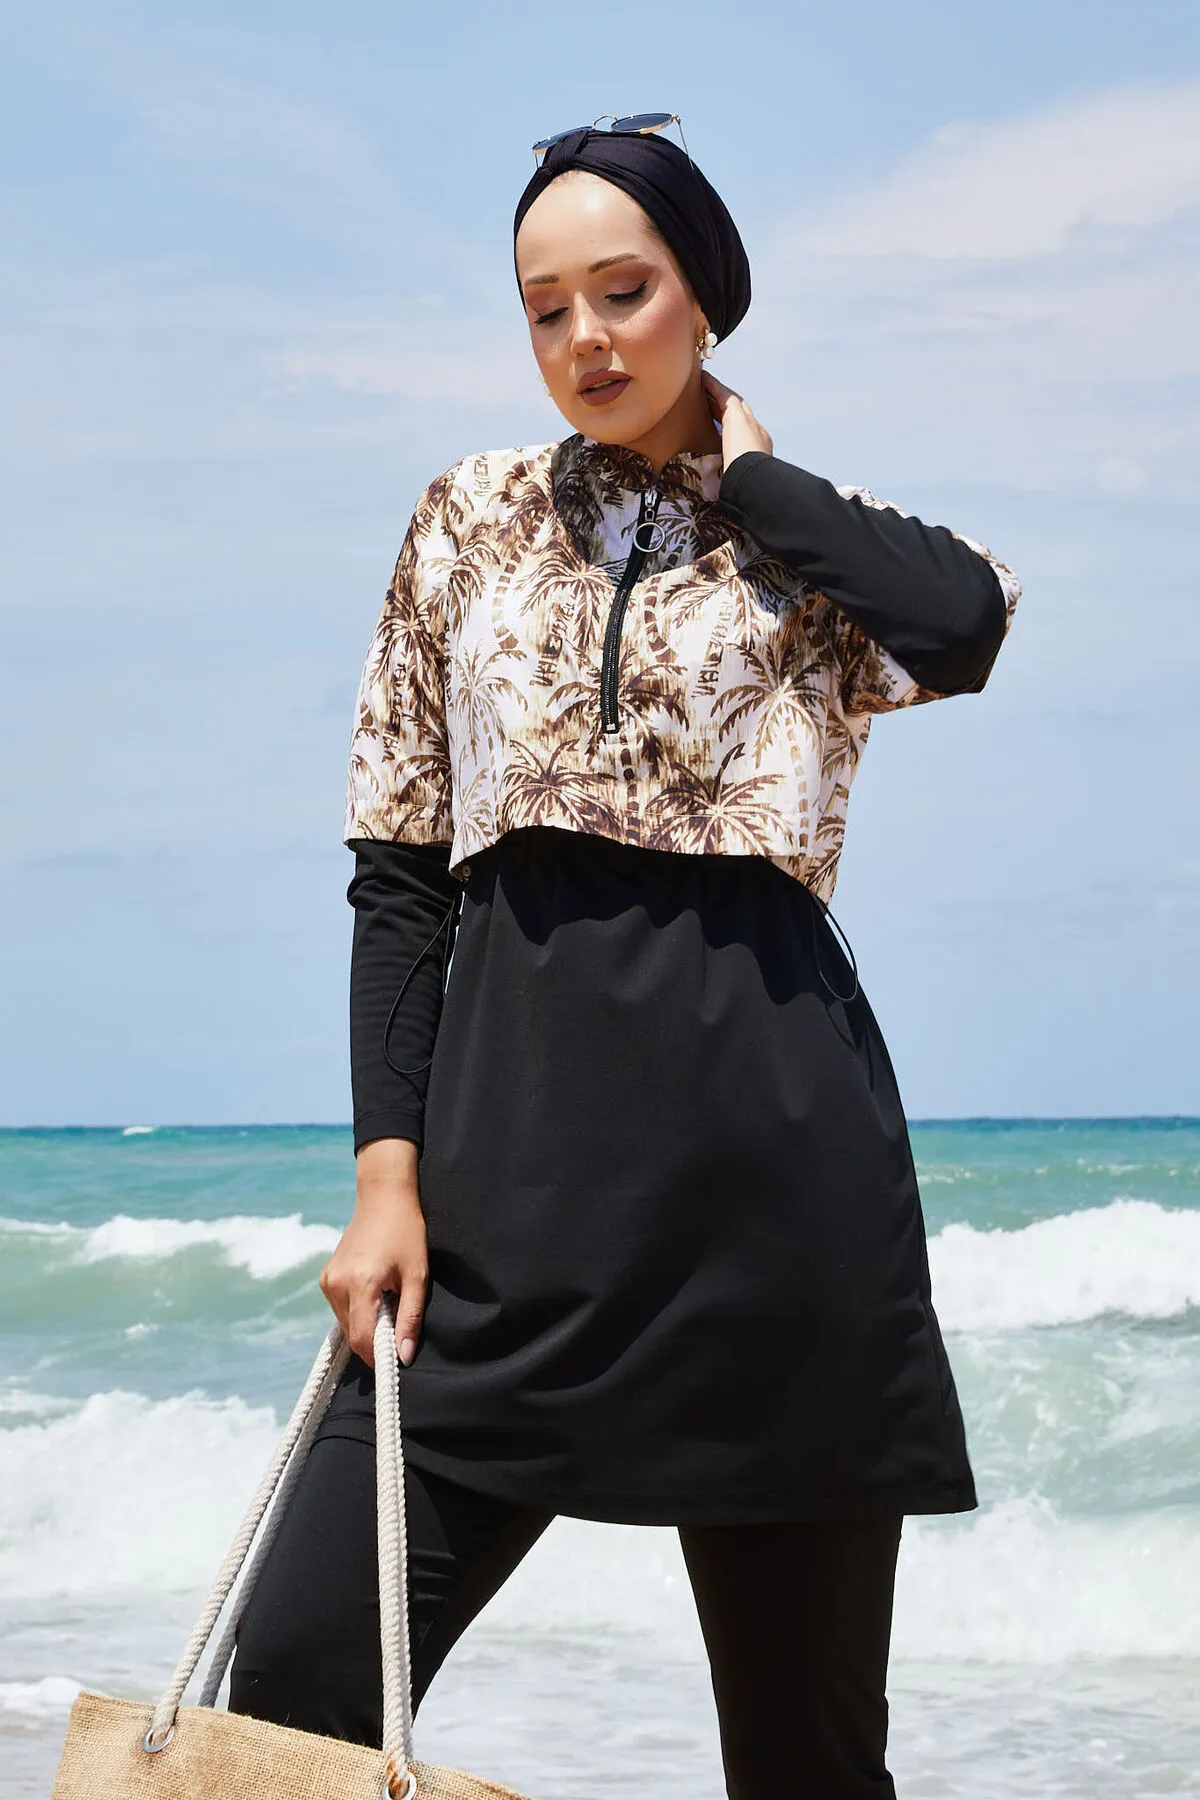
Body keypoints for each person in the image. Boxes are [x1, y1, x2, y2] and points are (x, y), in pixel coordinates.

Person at [227, 119, 1020, 1798]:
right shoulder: (467, 520)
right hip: (504, 1218)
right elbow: (399, 874)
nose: (585, 337)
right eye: (545, 308)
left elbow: (964, 625)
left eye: (624, 291)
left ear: (704, 295)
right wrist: (386, 1181)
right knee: (294, 1681)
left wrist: (763, 488)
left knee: (807, 1765)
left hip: (775, 1222)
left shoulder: (803, 541)